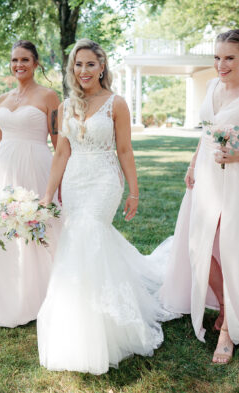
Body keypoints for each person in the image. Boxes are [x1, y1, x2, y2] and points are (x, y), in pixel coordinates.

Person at [37, 38, 176, 375]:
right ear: (73, 69)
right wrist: (47, 194)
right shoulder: (66, 106)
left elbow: (125, 150)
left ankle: (108, 327)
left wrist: (134, 191)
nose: (83, 70)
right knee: (79, 242)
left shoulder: (117, 103)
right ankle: (79, 320)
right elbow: (60, 153)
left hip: (103, 179)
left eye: (90, 64)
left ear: (102, 66)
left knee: (91, 233)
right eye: (78, 65)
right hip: (75, 180)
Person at [160, 29, 239, 364]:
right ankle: (225, 306)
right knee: (199, 246)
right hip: (206, 175)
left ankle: (227, 332)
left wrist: (237, 156)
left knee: (229, 247)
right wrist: (194, 163)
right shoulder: (211, 86)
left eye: (230, 58)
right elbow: (206, 131)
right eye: (217, 57)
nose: (221, 64)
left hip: (234, 177)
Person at [0, 40, 60, 328]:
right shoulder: (2, 99)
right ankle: (8, 301)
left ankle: (42, 298)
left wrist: (58, 182)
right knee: (3, 230)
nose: (19, 65)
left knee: (38, 229)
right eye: (14, 60)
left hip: (35, 168)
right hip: (4, 170)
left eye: (25, 60)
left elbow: (58, 143)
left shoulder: (49, 96)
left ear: (36, 63)